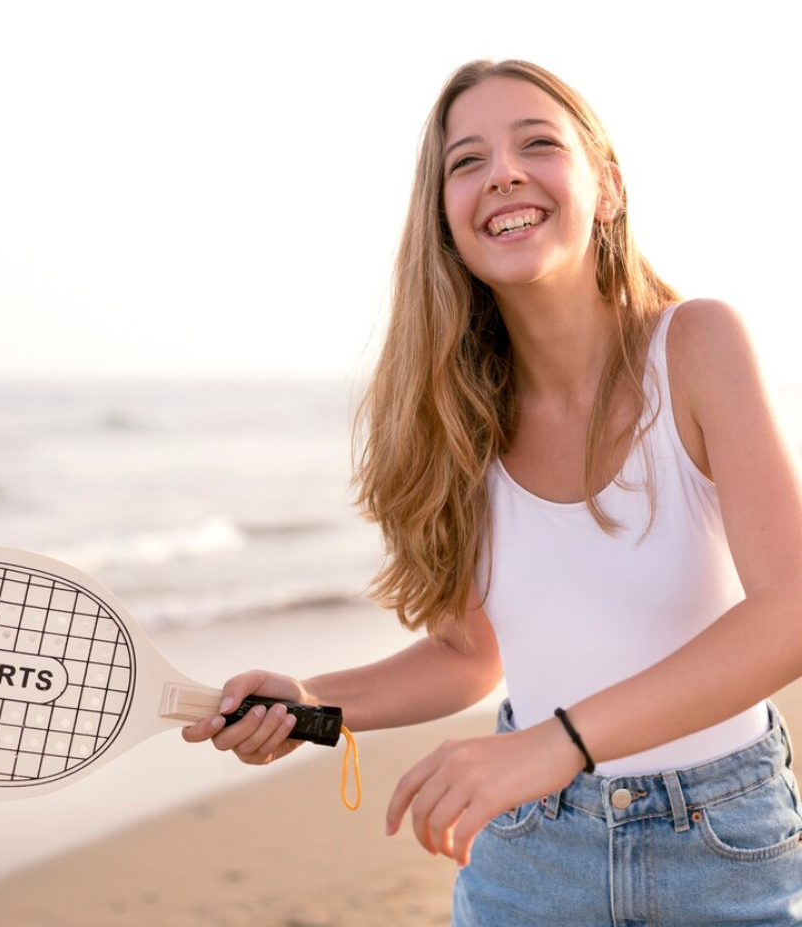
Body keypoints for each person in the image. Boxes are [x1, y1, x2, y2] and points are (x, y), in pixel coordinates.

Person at [182, 60, 802, 925]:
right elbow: (469, 656)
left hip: (724, 847)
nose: (503, 171)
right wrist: (313, 707)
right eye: (465, 161)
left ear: (608, 189)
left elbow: (791, 611)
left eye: (537, 143)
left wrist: (561, 744)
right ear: (445, 220)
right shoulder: (458, 417)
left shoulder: (697, 345)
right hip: (529, 857)